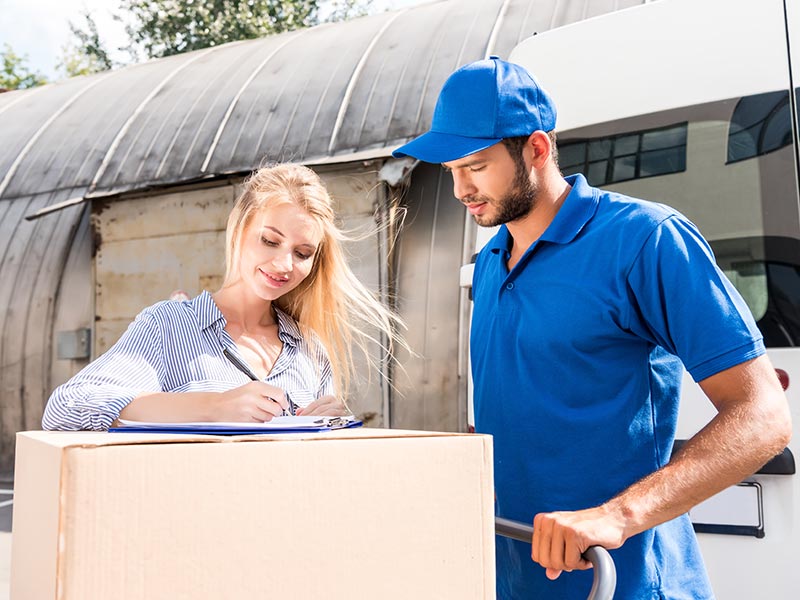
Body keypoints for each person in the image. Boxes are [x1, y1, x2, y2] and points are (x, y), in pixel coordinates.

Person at [393, 57, 792, 599]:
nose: (461, 188)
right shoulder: (491, 261)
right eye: (451, 172)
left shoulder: (646, 240)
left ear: (536, 148)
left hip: (623, 582)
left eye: (476, 165)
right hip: (516, 580)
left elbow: (763, 417)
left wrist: (618, 515)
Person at [43, 163, 403, 430]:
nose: (283, 264)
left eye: (303, 252)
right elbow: (65, 408)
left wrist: (329, 427)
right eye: (270, 240)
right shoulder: (169, 326)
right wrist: (213, 406)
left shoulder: (311, 348)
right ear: (239, 229)